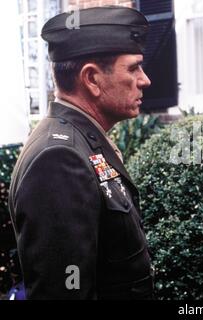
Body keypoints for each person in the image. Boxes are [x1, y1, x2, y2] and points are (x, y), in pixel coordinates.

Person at [8, 6, 154, 299]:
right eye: (133, 68)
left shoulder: (80, 142)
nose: (145, 80)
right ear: (92, 79)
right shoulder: (60, 158)